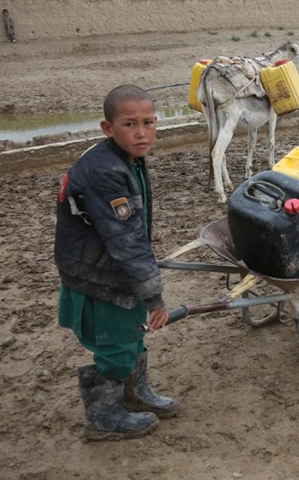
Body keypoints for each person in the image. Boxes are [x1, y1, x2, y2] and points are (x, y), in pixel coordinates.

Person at [54, 85, 178, 441]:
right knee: (115, 344)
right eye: (129, 124)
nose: (141, 133)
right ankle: (103, 418)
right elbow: (126, 241)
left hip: (112, 267)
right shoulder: (105, 172)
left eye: (148, 122)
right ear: (108, 128)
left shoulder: (124, 157)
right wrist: (154, 297)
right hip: (100, 276)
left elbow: (131, 234)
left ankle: (134, 393)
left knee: (132, 332)